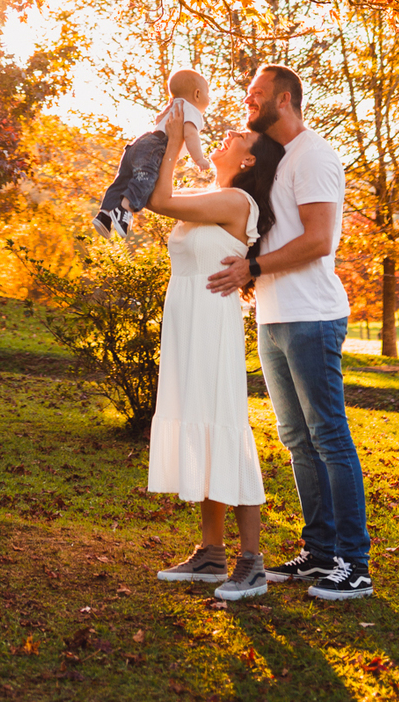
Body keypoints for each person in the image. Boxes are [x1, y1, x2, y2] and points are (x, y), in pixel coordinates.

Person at [208, 64, 372, 602]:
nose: (247, 101)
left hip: (312, 316)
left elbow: (320, 240)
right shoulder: (275, 161)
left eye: (256, 95)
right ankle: (320, 552)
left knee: (329, 437)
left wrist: (252, 271)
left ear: (285, 98)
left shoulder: (314, 156)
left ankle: (355, 563)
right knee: (298, 440)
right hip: (274, 318)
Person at [145, 105, 285, 602]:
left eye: (239, 137)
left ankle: (252, 562)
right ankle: (211, 553)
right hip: (186, 320)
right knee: (203, 425)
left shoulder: (236, 200)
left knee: (224, 426)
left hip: (211, 325)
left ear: (249, 163)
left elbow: (159, 198)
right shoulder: (214, 197)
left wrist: (180, 140)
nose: (227, 134)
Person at [92, 67, 212, 240]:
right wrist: (199, 158)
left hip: (141, 142)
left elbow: (158, 120)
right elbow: (190, 134)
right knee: (145, 179)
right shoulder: (192, 109)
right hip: (156, 147)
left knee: (123, 179)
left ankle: (104, 214)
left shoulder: (174, 105)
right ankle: (125, 209)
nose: (209, 98)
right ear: (197, 94)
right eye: (208, 93)